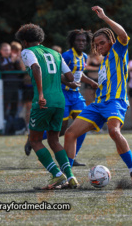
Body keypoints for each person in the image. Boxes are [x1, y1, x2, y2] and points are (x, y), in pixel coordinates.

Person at [64, 6, 132, 186]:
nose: (99, 47)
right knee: (70, 134)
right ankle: (68, 177)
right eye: (97, 44)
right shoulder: (104, 62)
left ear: (111, 41)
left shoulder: (118, 51)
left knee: (114, 131)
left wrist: (105, 17)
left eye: (102, 43)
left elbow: (123, 34)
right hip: (98, 105)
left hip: (115, 102)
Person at [16, 23, 78, 189]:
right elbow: (70, 77)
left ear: (24, 41)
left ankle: (57, 175)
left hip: (43, 101)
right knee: (54, 140)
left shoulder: (27, 52)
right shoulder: (55, 53)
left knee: (35, 140)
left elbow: (36, 68)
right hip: (59, 101)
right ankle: (70, 176)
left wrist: (41, 94)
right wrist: (67, 83)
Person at [24, 29, 98, 168]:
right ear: (72, 42)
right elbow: (58, 73)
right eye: (78, 40)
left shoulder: (85, 57)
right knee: (61, 131)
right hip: (63, 94)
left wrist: (91, 82)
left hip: (76, 96)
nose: (81, 43)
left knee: (84, 126)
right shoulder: (67, 55)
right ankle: (33, 139)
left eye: (83, 41)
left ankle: (72, 156)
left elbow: (78, 73)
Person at [0, 42, 23, 134]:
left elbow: (20, 72)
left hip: (15, 86)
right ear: (1, 51)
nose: (7, 51)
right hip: (5, 87)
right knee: (5, 106)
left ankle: (11, 126)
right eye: (5, 50)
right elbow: (2, 69)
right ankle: (3, 127)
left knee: (14, 106)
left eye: (8, 50)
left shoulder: (14, 59)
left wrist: (16, 62)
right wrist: (11, 62)